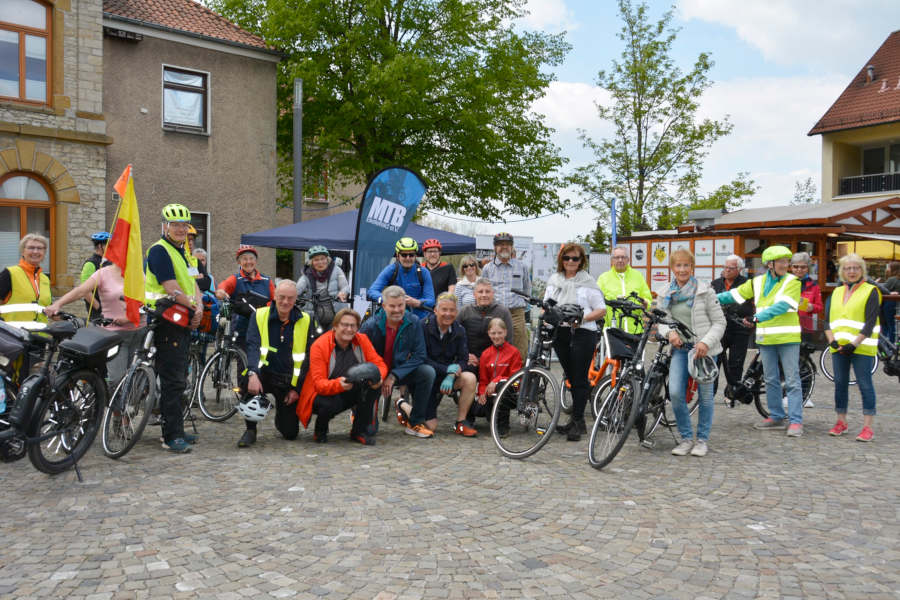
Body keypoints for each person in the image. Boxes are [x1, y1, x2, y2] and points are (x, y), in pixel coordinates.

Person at [718, 245, 804, 436]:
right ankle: (776, 416)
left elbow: (783, 306)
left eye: (786, 261)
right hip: (766, 338)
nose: (785, 265)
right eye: (781, 261)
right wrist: (710, 298)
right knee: (771, 379)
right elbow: (735, 295)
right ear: (770, 264)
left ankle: (796, 421)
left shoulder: (793, 281)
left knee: (791, 380)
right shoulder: (757, 282)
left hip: (787, 337)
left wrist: (756, 318)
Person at [655, 248, 726, 457]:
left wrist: (705, 342)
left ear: (692, 267)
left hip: (704, 350)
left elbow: (720, 322)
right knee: (676, 393)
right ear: (672, 268)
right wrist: (669, 333)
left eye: (686, 265)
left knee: (705, 397)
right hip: (680, 349)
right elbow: (662, 320)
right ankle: (686, 438)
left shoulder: (705, 291)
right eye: (678, 265)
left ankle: (702, 440)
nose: (682, 269)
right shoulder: (665, 293)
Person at [144, 203, 203, 453]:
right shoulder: (159, 251)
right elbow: (170, 287)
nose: (180, 229)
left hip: (183, 318)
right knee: (172, 380)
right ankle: (171, 437)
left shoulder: (184, 252)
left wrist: (198, 306)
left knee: (179, 377)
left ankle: (176, 428)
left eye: (183, 225)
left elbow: (193, 284)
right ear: (164, 226)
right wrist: (192, 306)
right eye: (175, 224)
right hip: (166, 319)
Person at [238, 280, 316, 447]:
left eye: (290, 298)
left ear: (296, 299)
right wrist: (252, 373)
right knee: (246, 382)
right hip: (263, 374)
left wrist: (297, 389)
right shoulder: (259, 315)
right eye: (281, 297)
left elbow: (308, 358)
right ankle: (250, 430)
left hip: (287, 380)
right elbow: (253, 346)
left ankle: (281, 415)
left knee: (290, 434)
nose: (285, 302)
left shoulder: (307, 320)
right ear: (274, 296)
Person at [545, 243, 607, 441]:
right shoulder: (554, 280)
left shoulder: (587, 281)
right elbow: (547, 304)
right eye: (567, 258)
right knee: (571, 376)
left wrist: (582, 319)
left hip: (582, 333)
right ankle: (577, 421)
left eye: (575, 258)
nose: (570, 262)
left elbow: (601, 309)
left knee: (579, 378)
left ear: (581, 261)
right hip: (560, 333)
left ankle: (578, 420)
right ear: (561, 260)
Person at [297, 308, 386, 444]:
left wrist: (378, 378)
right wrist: (338, 385)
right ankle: (320, 429)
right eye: (344, 325)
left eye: (353, 325)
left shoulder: (362, 340)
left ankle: (358, 431)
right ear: (335, 326)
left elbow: (379, 364)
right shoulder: (320, 345)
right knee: (328, 404)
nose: (349, 329)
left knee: (373, 388)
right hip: (322, 393)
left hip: (352, 387)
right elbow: (319, 384)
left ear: (357, 327)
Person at [44, 264, 145, 383]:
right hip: (116, 334)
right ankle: (107, 399)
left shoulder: (138, 271)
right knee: (117, 380)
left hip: (140, 332)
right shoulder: (103, 273)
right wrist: (58, 304)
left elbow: (146, 299)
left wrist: (132, 316)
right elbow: (81, 291)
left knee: (135, 381)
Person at [359, 285, 436, 438]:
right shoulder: (370, 326)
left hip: (399, 372)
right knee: (370, 431)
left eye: (400, 305)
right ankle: (360, 412)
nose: (397, 310)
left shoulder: (413, 322)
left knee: (427, 372)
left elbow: (419, 355)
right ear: (384, 306)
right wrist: (379, 377)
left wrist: (393, 376)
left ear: (405, 304)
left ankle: (415, 422)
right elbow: (360, 358)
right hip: (375, 374)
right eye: (392, 306)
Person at [824, 254, 880, 442]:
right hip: (839, 347)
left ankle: (867, 427)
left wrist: (854, 344)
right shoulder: (836, 292)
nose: (852, 271)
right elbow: (827, 320)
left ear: (862, 270)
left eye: (856, 268)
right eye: (848, 268)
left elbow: (870, 323)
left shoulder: (871, 291)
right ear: (842, 271)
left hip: (861, 347)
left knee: (864, 385)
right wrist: (831, 340)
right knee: (840, 383)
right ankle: (841, 421)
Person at [422, 293, 478, 436]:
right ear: (435, 310)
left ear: (456, 312)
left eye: (452, 310)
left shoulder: (459, 330)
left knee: (470, 378)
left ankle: (461, 422)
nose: (448, 314)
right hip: (427, 378)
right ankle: (402, 405)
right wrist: (446, 369)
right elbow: (421, 358)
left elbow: (463, 359)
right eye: (444, 310)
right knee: (431, 426)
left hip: (448, 377)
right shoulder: (423, 326)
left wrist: (452, 374)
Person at [710, 255, 754, 402]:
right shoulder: (715, 283)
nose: (727, 270)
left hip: (740, 328)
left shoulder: (747, 284)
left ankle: (731, 393)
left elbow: (755, 304)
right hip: (719, 329)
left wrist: (753, 319)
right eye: (725, 267)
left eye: (731, 268)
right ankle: (710, 392)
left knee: (736, 362)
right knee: (715, 361)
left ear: (739, 269)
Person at [481, 232, 531, 360]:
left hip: (516, 313)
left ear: (512, 247)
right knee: (496, 346)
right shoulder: (487, 268)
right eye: (500, 244)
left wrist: (523, 309)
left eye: (507, 244)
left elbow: (527, 289)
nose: (504, 247)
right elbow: (484, 290)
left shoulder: (522, 267)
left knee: (520, 347)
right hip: (496, 311)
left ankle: (520, 377)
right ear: (495, 248)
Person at [216, 245, 275, 349]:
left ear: (256, 261)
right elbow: (223, 286)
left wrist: (268, 306)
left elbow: (275, 300)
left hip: (262, 327)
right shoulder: (235, 279)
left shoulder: (266, 280)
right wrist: (220, 291)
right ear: (239, 262)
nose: (248, 262)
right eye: (244, 259)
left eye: (251, 258)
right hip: (241, 329)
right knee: (242, 360)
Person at [367, 237, 435, 319]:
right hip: (395, 318)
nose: (408, 258)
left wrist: (416, 302)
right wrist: (390, 300)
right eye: (404, 255)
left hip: (418, 320)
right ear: (398, 255)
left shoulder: (423, 272)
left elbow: (431, 300)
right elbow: (372, 291)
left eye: (411, 255)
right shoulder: (391, 270)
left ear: (415, 255)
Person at [456, 279, 514, 370]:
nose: (484, 295)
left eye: (487, 292)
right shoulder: (465, 311)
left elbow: (508, 342)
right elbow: (455, 338)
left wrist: (483, 359)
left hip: (495, 361)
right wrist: (466, 355)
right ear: (474, 294)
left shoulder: (503, 312)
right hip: (470, 361)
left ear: (493, 293)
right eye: (480, 292)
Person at [476, 318, 522, 430]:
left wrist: (496, 381)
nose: (496, 336)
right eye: (493, 333)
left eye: (500, 333)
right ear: (488, 333)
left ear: (505, 332)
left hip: (510, 393)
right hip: (490, 393)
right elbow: (483, 380)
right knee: (476, 409)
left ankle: (504, 427)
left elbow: (515, 378)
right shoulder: (485, 354)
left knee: (502, 386)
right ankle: (468, 423)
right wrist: (482, 393)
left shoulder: (514, 352)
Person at [597, 245, 652, 333]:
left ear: (628, 260)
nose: (620, 260)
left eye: (623, 257)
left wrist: (645, 302)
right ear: (612, 260)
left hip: (635, 329)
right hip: (612, 330)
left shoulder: (638, 276)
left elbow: (648, 299)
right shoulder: (603, 278)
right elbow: (596, 302)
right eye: (617, 257)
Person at [0, 233, 51, 324]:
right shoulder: (9, 274)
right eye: (31, 248)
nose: (35, 251)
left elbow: (46, 308)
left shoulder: (45, 279)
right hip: (13, 335)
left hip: (41, 336)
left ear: (44, 252)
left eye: (39, 248)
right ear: (22, 251)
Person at [295, 245, 350, 330]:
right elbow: (297, 290)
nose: (320, 262)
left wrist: (342, 293)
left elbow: (345, 286)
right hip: (314, 314)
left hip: (336, 313)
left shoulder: (337, 270)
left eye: (322, 258)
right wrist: (293, 295)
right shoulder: (306, 274)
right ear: (311, 262)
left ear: (327, 259)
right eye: (316, 260)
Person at [80, 231, 110, 315]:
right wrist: (99, 309)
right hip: (98, 313)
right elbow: (85, 291)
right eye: (109, 245)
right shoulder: (90, 264)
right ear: (100, 246)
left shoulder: (110, 262)